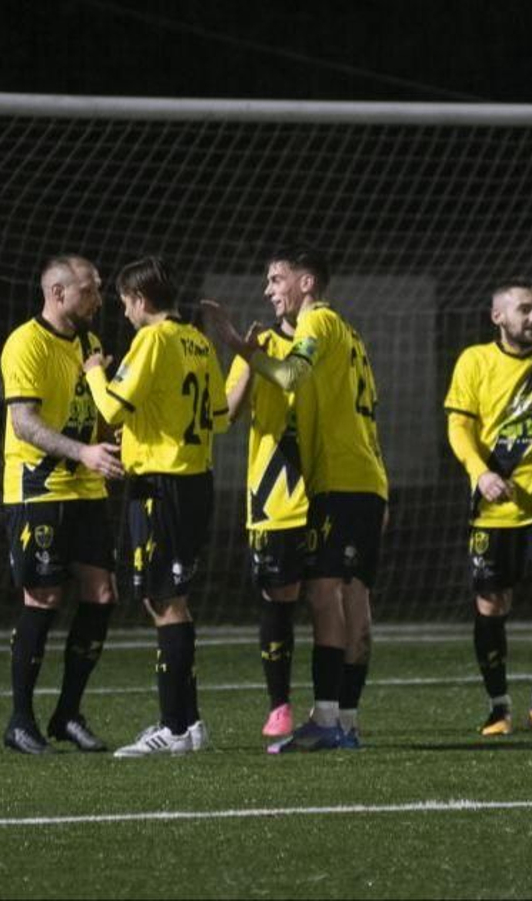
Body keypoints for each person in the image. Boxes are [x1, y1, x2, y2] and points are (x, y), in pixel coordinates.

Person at [210, 245, 387, 754]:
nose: (268, 291)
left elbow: (291, 376)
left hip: (342, 480)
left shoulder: (319, 325)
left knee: (326, 595)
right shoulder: (351, 335)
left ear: (306, 283)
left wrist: (237, 347)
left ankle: (329, 719)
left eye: (275, 279)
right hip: (363, 480)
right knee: (348, 599)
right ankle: (344, 721)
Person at [83, 256, 228, 758]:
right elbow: (220, 418)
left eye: (124, 303)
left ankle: (174, 726)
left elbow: (111, 408)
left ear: (141, 300)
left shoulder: (153, 339)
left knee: (163, 601)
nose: (123, 313)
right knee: (171, 599)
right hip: (195, 480)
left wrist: (95, 373)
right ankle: (189, 723)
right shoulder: (197, 341)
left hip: (161, 486)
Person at [0, 255, 124, 755]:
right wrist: (84, 452)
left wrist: (114, 438)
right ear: (57, 293)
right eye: (90, 289)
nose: (98, 297)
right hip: (39, 489)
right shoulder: (25, 343)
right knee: (43, 598)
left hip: (86, 489)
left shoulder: (90, 345)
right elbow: (23, 423)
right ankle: (20, 719)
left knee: (102, 594)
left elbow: (96, 415)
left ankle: (67, 712)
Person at [444, 280, 532, 737]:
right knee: (490, 602)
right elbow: (459, 427)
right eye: (525, 311)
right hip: (494, 505)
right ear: (497, 317)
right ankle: (498, 706)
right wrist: (479, 472)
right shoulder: (475, 361)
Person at [222, 303, 308, 740]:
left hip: (331, 488)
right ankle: (281, 707)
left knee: (341, 600)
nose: (270, 291)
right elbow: (227, 412)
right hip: (276, 497)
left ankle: (337, 710)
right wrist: (251, 360)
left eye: (277, 280)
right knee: (280, 601)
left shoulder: (328, 338)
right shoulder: (262, 345)